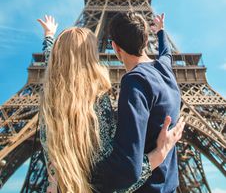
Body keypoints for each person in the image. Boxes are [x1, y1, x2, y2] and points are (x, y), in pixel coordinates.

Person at [37, 15, 184, 193]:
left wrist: (49, 36)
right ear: (145, 40)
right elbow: (121, 176)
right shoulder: (98, 99)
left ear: (114, 47)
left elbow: (52, 61)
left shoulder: (50, 93)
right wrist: (160, 153)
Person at [92, 12, 182, 193]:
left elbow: (128, 168)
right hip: (169, 186)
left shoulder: (134, 82)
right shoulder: (164, 68)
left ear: (115, 48)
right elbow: (166, 53)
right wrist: (161, 32)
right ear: (146, 38)